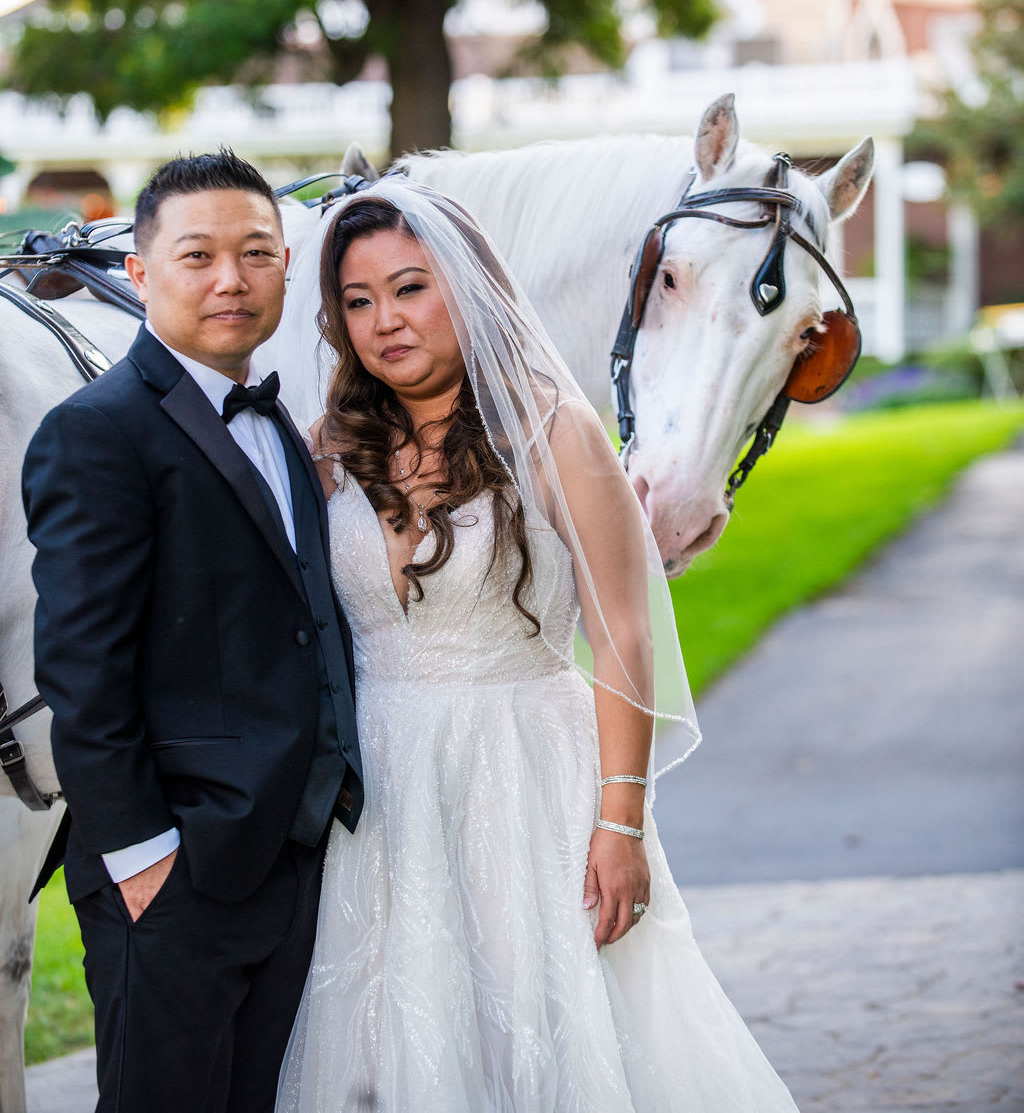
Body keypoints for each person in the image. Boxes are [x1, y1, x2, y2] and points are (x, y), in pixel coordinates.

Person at [268, 178, 799, 1112]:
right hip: (380, 795)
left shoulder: (554, 433)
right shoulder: (328, 448)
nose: (385, 321)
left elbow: (623, 634)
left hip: (522, 773)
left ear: (469, 289)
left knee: (545, 1026)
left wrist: (620, 822)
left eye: (410, 288)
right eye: (357, 301)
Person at [22, 151, 363, 1113]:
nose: (231, 279)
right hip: (172, 875)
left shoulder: (285, 423)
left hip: (288, 853)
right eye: (198, 254)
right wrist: (142, 860)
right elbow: (81, 674)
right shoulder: (95, 432)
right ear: (138, 273)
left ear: (286, 268)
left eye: (257, 253)